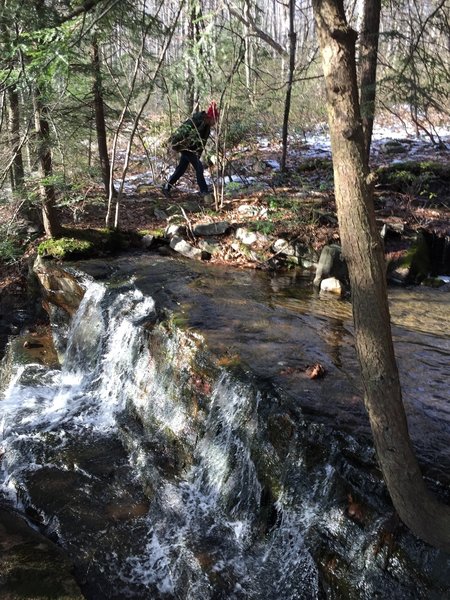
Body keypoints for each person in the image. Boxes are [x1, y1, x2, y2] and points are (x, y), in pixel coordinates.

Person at [162, 101, 219, 197]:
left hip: (192, 149)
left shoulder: (207, 126)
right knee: (199, 167)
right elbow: (183, 129)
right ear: (210, 117)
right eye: (215, 119)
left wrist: (198, 154)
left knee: (181, 169)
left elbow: (202, 143)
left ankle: (167, 187)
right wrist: (174, 144)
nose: (216, 122)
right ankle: (204, 191)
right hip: (186, 147)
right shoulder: (197, 121)